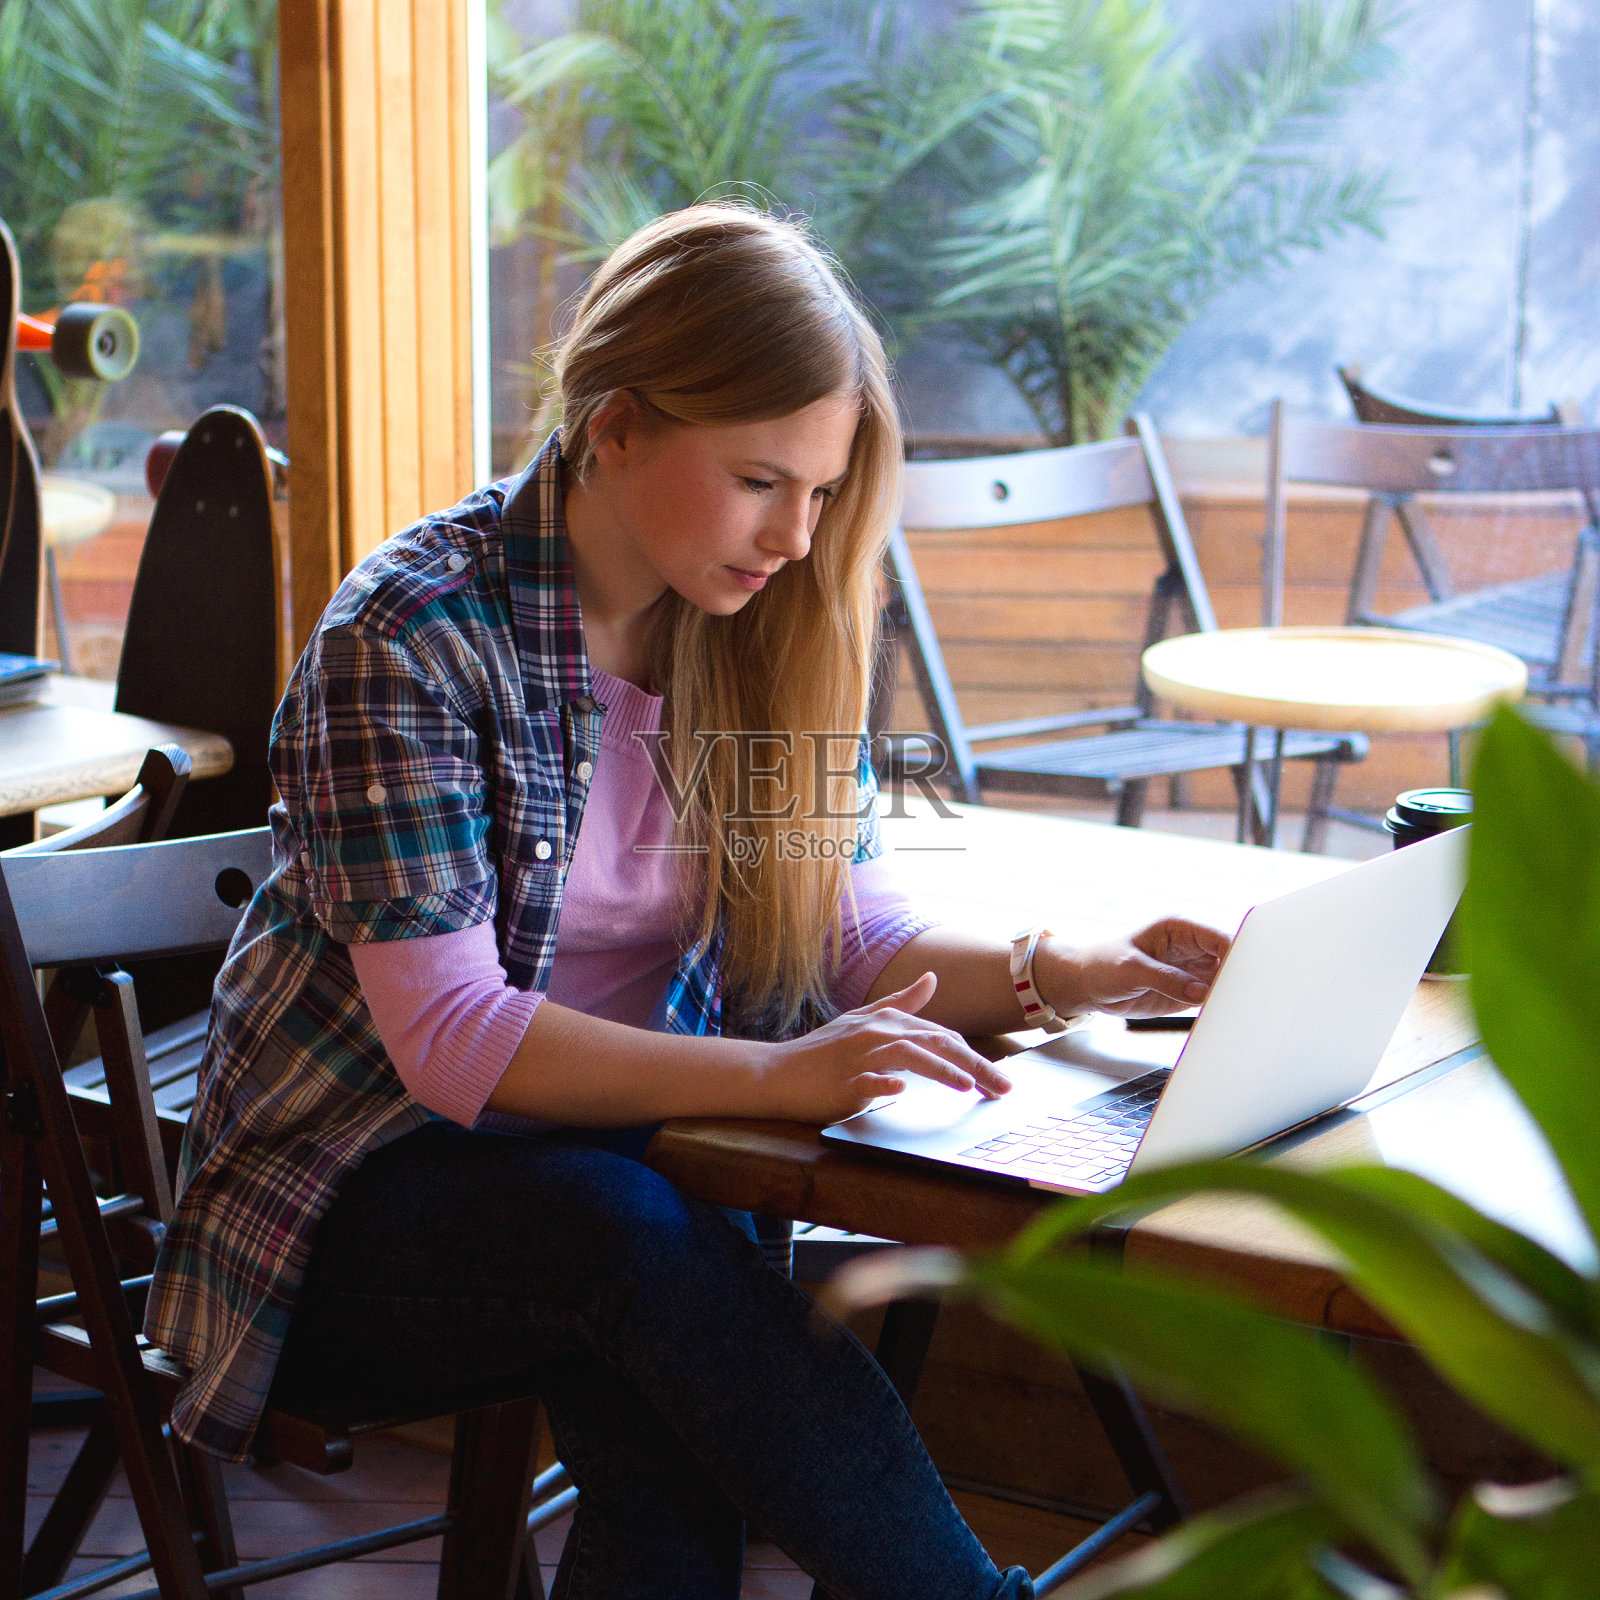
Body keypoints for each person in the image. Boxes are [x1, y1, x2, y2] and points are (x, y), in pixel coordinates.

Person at [146, 204, 1228, 1600]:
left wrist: (1069, 970)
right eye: (760, 480)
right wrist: (778, 1076)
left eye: (823, 492)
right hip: (344, 1214)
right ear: (615, 428)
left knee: (658, 1338)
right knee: (639, 1241)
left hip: (630, 1187)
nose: (796, 535)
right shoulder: (409, 637)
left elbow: (850, 937)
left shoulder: (765, 621)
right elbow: (456, 1044)